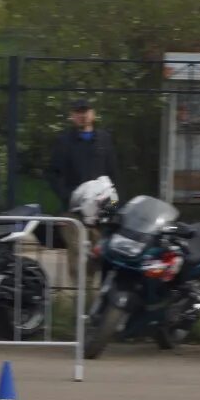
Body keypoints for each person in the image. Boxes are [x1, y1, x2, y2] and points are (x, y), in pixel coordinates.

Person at [45, 98, 119, 288]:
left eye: (85, 111)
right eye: (77, 112)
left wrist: (112, 206)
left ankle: (92, 300)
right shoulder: (63, 141)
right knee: (77, 249)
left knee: (99, 252)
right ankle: (79, 297)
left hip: (100, 210)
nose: (82, 115)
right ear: (72, 116)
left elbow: (113, 174)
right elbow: (53, 173)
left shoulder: (104, 139)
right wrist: (68, 196)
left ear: (93, 114)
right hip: (73, 211)